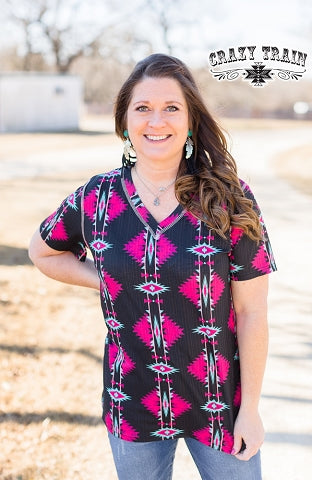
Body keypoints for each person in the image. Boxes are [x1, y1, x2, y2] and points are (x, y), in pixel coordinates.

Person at [29, 53, 277, 480]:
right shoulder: (97, 198)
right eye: (142, 108)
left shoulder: (229, 198)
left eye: (171, 108)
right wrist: (106, 280)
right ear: (125, 121)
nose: (155, 121)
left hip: (218, 402)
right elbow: (43, 251)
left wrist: (250, 409)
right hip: (133, 398)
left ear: (190, 122)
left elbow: (253, 312)